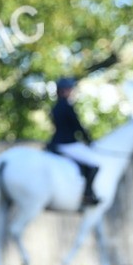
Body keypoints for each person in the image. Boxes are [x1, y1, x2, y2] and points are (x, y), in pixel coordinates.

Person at [45, 77, 102, 206]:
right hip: (68, 144)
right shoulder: (67, 106)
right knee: (95, 164)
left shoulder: (55, 107)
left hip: (55, 142)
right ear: (64, 91)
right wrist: (88, 139)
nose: (72, 91)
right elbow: (77, 126)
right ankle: (87, 194)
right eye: (70, 89)